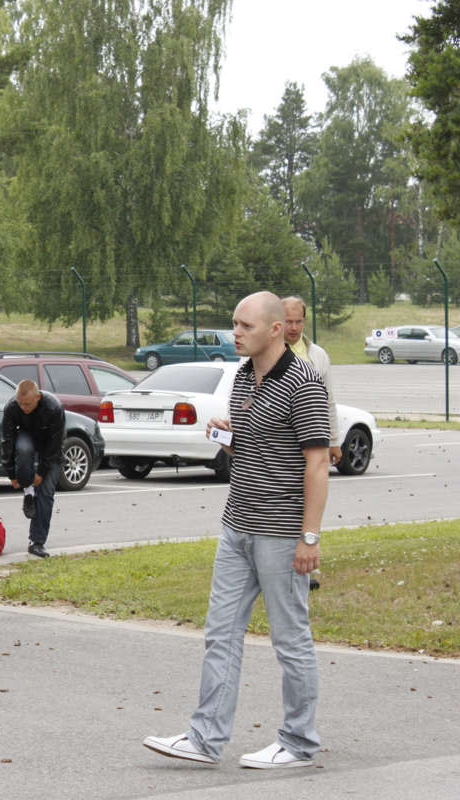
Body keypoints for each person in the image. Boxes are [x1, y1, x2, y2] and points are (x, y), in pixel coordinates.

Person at [144, 291, 329, 770]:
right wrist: (229, 435)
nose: (235, 332)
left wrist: (309, 537)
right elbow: (255, 450)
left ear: (275, 329)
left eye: (245, 325)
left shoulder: (305, 383)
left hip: (281, 532)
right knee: (220, 634)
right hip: (237, 525)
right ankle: (205, 739)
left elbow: (316, 464)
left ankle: (299, 742)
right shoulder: (244, 376)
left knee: (291, 641)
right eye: (234, 323)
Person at [0, 379, 67, 559]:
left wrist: (42, 472)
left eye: (28, 404)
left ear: (38, 397)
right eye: (20, 403)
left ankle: (36, 542)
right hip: (27, 437)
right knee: (23, 448)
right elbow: (7, 440)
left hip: (50, 446)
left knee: (46, 493)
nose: (23, 407)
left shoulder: (54, 408)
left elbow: (55, 443)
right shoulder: (12, 407)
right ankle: (28, 492)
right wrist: (12, 474)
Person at [282, 297, 341, 467]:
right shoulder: (263, 352)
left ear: (304, 321)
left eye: (298, 322)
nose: (294, 327)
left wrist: (334, 441)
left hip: (312, 443)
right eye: (288, 322)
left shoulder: (319, 355)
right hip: (278, 445)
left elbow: (328, 400)